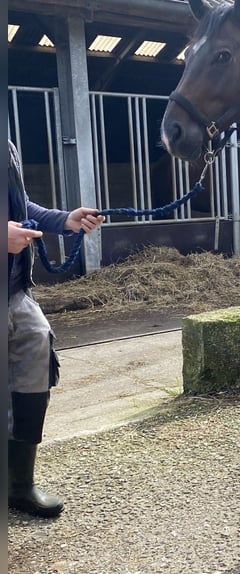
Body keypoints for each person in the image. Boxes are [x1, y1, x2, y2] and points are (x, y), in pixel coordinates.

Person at [7, 140, 104, 517]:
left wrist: (63, 220)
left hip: (14, 289)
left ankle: (19, 484)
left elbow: (20, 206)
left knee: (35, 344)